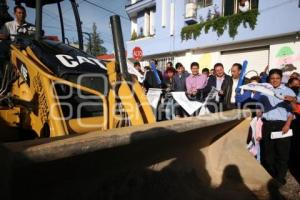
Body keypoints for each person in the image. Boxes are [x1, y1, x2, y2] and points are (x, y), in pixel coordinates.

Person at [256, 69, 296, 185]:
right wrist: (259, 112)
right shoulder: (264, 92)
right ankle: (271, 175)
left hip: (282, 125)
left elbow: (292, 110)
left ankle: (280, 177)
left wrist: (288, 124)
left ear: (281, 78)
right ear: (269, 79)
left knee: (282, 153)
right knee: (268, 154)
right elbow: (260, 109)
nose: (274, 80)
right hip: (267, 125)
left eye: (277, 78)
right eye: (272, 78)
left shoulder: (287, 91)